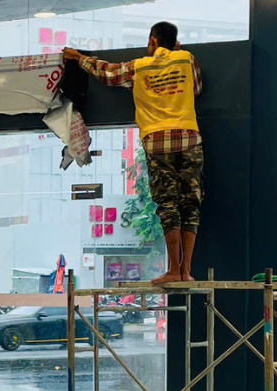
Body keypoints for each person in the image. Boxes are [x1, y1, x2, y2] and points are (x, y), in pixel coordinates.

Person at [65, 22, 202, 284]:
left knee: (168, 204)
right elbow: (196, 89)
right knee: (190, 203)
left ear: (152, 41)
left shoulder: (139, 67)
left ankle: (174, 270)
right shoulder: (187, 59)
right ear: (176, 43)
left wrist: (79, 58)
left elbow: (107, 73)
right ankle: (186, 271)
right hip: (190, 139)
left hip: (157, 142)